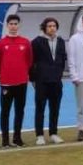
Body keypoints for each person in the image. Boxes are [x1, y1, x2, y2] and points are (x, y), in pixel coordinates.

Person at [0, 14, 32, 148]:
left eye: (16, 24)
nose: (13, 26)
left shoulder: (25, 42)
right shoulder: (1, 43)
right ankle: (5, 140)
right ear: (7, 25)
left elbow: (29, 61)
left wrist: (22, 73)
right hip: (6, 83)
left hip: (21, 83)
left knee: (19, 111)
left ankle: (17, 138)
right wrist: (5, 73)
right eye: (11, 24)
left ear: (19, 25)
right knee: (5, 111)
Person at [30, 17, 67, 145]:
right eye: (49, 26)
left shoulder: (61, 41)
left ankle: (53, 133)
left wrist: (59, 74)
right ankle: (39, 135)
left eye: (54, 26)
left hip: (56, 81)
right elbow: (31, 62)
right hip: (41, 81)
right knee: (40, 108)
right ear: (44, 28)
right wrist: (33, 79)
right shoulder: (36, 42)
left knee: (55, 109)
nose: (52, 28)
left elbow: (63, 60)